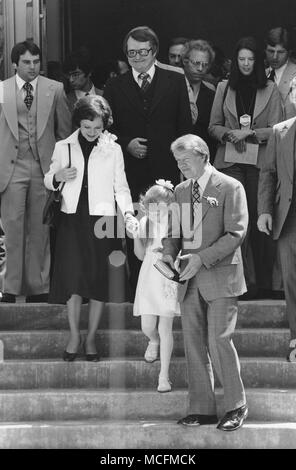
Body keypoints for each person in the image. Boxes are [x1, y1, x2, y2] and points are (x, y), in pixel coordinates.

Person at [162, 134, 248, 431]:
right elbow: (173, 232)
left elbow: (236, 233)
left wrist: (201, 257)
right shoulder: (181, 191)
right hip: (189, 278)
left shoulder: (231, 186)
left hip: (222, 275)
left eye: (185, 159)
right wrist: (168, 255)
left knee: (219, 340)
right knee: (195, 343)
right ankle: (202, 409)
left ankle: (236, 406)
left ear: (203, 155)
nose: (181, 165)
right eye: (177, 161)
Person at [44, 95, 137, 361]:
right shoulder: (65, 146)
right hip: (72, 219)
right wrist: (58, 177)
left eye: (97, 128)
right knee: (72, 280)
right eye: (87, 127)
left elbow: (121, 186)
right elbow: (49, 179)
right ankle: (74, 335)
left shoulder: (113, 148)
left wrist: (128, 214)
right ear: (78, 123)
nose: (92, 133)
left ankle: (92, 337)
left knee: (98, 281)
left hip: (102, 218)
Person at [104, 25, 192, 296]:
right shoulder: (115, 86)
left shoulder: (175, 80)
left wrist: (184, 168)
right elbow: (106, 129)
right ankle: (136, 290)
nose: (137, 57)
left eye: (143, 52)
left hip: (167, 170)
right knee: (136, 230)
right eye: (131, 53)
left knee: (170, 229)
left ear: (154, 51)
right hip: (131, 173)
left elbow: (184, 127)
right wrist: (126, 142)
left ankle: (169, 288)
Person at [209, 36, 282, 299]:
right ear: (235, 61)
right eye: (242, 59)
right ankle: (241, 284)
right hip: (230, 162)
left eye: (251, 59)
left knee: (260, 220)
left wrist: (249, 133)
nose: (247, 64)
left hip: (260, 162)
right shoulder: (224, 87)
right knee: (236, 224)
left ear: (258, 61)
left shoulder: (270, 89)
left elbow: (277, 129)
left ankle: (265, 283)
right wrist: (229, 134)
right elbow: (213, 125)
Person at [0, 40, 71, 303]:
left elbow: (64, 134)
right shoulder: (1, 90)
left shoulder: (55, 89)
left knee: (40, 230)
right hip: (10, 167)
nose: (32, 67)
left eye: (36, 61)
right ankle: (10, 287)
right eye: (27, 62)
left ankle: (38, 288)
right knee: (12, 228)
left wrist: (62, 170)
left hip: (44, 168)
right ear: (15, 64)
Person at [257, 76, 296, 362]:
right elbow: (268, 173)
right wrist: (265, 210)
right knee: (291, 281)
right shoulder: (279, 131)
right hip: (288, 217)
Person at [131, 180, 180, 393]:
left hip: (168, 275)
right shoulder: (145, 224)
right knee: (147, 326)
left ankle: (164, 376)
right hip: (150, 275)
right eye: (151, 208)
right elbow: (141, 255)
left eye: (159, 209)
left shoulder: (176, 225)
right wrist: (135, 237)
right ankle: (153, 340)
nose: (155, 213)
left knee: (165, 326)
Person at [182, 39, 217, 162]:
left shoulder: (212, 93)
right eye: (196, 63)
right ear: (185, 61)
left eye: (205, 64)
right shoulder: (172, 88)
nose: (200, 68)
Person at [265, 27, 296, 119]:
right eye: (271, 51)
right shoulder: (262, 74)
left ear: (289, 52)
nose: (275, 57)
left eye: (280, 52)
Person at [63, 50, 103, 115]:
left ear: (89, 72)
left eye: (75, 74)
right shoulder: (65, 101)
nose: (71, 80)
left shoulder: (104, 95)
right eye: (68, 75)